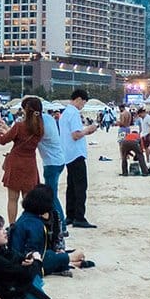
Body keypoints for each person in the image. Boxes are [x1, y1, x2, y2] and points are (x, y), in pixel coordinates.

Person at [0, 96, 45, 223]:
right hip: (30, 164)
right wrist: (8, 129)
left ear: (26, 110)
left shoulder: (19, 126)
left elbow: (4, 140)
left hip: (16, 163)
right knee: (28, 201)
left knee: (12, 199)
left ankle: (12, 225)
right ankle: (27, 224)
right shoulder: (40, 128)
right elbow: (20, 136)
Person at [60, 89, 96, 230]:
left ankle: (70, 215)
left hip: (67, 154)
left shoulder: (65, 113)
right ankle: (79, 217)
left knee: (71, 186)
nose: (83, 106)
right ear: (79, 99)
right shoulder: (74, 113)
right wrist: (89, 129)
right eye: (84, 103)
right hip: (76, 154)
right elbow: (76, 135)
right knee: (81, 187)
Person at [36, 106, 68, 240]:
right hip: (58, 160)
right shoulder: (48, 118)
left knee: (51, 196)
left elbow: (31, 137)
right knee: (52, 195)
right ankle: (61, 224)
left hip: (52, 163)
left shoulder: (41, 126)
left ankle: (62, 226)